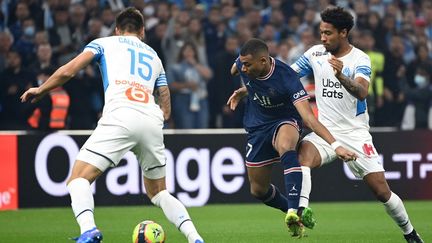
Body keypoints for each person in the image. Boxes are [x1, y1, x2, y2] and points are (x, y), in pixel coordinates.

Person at [20, 7, 204, 243]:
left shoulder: (104, 43)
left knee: (78, 179)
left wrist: (42, 89)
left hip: (120, 115)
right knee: (159, 192)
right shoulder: (154, 56)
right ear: (143, 31)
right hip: (151, 118)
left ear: (117, 29)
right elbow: (164, 94)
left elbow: (70, 70)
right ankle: (195, 237)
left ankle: (89, 230)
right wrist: (162, 116)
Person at [289, 7, 424, 243]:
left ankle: (410, 234)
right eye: (321, 32)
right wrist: (250, 87)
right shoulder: (315, 54)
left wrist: (341, 77)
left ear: (343, 32)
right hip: (325, 131)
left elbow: (362, 92)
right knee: (303, 157)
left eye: (328, 33)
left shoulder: (360, 59)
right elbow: (287, 76)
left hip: (355, 134)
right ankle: (300, 211)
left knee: (382, 192)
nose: (322, 38)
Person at [226, 38, 356, 238]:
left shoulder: (286, 78)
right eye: (242, 63)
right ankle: (294, 211)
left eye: (248, 65)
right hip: (257, 126)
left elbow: (309, 119)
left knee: (286, 146)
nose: (243, 68)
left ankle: (294, 211)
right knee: (258, 190)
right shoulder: (245, 64)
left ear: (263, 61)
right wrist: (244, 90)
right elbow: (233, 70)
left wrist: (336, 146)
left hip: (285, 119)